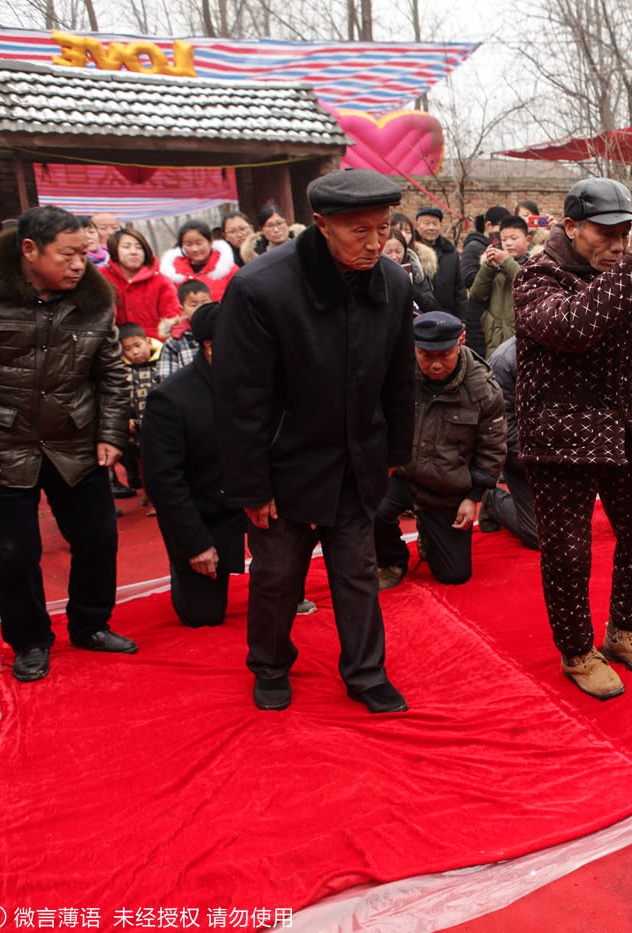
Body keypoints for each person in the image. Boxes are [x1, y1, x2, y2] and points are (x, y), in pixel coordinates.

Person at [215, 169, 416, 714]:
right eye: (360, 231)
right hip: (285, 464)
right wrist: (251, 486)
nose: (375, 243)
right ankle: (271, 664)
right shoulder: (261, 287)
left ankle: (365, 673)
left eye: (383, 229)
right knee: (279, 575)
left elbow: (401, 380)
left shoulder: (393, 283)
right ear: (322, 225)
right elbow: (241, 399)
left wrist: (396, 452)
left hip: (357, 458)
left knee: (356, 568)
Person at [513, 177, 632, 699]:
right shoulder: (537, 275)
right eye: (605, 234)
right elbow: (574, 327)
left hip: (628, 426)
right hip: (561, 435)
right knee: (570, 552)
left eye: (627, 233)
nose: (618, 245)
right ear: (571, 227)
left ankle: (623, 632)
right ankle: (577, 652)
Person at [0, 205, 138, 682]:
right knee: (11, 552)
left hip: (77, 439)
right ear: (29, 250)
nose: (79, 265)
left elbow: (111, 374)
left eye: (85, 255)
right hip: (4, 443)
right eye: (67, 254)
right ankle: (30, 640)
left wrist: (111, 434)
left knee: (97, 538)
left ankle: (91, 623)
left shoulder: (95, 300)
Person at [375, 312, 507, 589]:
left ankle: (429, 531)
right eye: (426, 355)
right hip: (403, 475)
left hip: (447, 487)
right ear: (414, 349)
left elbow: (492, 450)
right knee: (367, 509)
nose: (435, 364)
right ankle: (393, 560)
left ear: (460, 343)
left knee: (454, 575)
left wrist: (472, 498)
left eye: (445, 355)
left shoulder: (482, 389)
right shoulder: (397, 374)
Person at [142, 302, 249, 627]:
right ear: (211, 347)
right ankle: (186, 565)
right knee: (203, 616)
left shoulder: (257, 381)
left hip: (258, 501)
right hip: (205, 513)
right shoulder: (171, 399)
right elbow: (165, 483)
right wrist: (194, 544)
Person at [480, 337, 538, 549]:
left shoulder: (569, 349)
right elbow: (501, 430)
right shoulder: (504, 361)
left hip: (559, 454)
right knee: (542, 537)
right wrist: (542, 462)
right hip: (522, 456)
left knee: (572, 526)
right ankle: (493, 500)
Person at [101, 227, 181, 339]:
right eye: (126, 247)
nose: (134, 252)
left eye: (139, 248)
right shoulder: (102, 278)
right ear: (115, 250)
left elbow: (172, 319)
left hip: (154, 345)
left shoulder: (161, 281)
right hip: (113, 346)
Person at [471, 214, 532, 356]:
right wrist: (488, 266)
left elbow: (528, 285)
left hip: (523, 343)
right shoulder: (494, 269)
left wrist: (506, 262)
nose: (508, 243)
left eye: (514, 238)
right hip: (495, 342)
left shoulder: (534, 265)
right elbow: (477, 294)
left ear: (527, 240)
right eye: (504, 239)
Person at [117, 322, 162, 507]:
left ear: (148, 342)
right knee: (144, 464)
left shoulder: (161, 363)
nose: (134, 352)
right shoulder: (122, 371)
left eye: (138, 345)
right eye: (128, 349)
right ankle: (151, 497)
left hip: (159, 423)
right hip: (136, 427)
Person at [160, 220, 237, 300]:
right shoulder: (172, 274)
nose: (194, 249)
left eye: (199, 243)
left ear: (210, 242)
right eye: (188, 244)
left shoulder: (228, 270)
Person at [414, 205, 467, 317]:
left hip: (447, 315)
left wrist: (462, 319)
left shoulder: (450, 252)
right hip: (419, 315)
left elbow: (459, 290)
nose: (431, 228)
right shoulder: (411, 253)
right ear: (417, 226)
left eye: (435, 223)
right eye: (427, 223)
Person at [157, 281, 212, 379]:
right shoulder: (174, 342)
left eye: (204, 303)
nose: (200, 308)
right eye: (193, 305)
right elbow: (165, 379)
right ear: (182, 310)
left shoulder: (224, 333)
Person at [383, 228, 438, 312]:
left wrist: (412, 288)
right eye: (388, 252)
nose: (394, 257)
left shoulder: (417, 273)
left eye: (398, 251)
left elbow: (431, 306)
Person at [461, 205, 513, 289]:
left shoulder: (503, 246)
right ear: (488, 226)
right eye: (502, 227)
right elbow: (467, 279)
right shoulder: (473, 247)